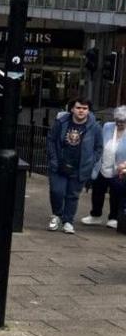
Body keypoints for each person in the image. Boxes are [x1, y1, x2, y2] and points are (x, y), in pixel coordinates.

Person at [46, 96, 103, 234]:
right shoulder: (61, 122)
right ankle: (57, 215)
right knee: (57, 191)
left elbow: (99, 147)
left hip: (80, 167)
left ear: (88, 111)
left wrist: (91, 161)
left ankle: (68, 221)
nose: (81, 111)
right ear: (72, 109)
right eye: (78, 108)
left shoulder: (94, 127)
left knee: (72, 195)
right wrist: (53, 158)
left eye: (85, 108)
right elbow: (51, 140)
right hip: (60, 164)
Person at [81, 105, 126, 229]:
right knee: (97, 191)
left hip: (119, 170)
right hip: (102, 165)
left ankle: (113, 217)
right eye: (117, 121)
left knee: (116, 194)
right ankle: (95, 215)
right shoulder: (107, 127)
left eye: (122, 122)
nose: (119, 124)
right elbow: (98, 142)